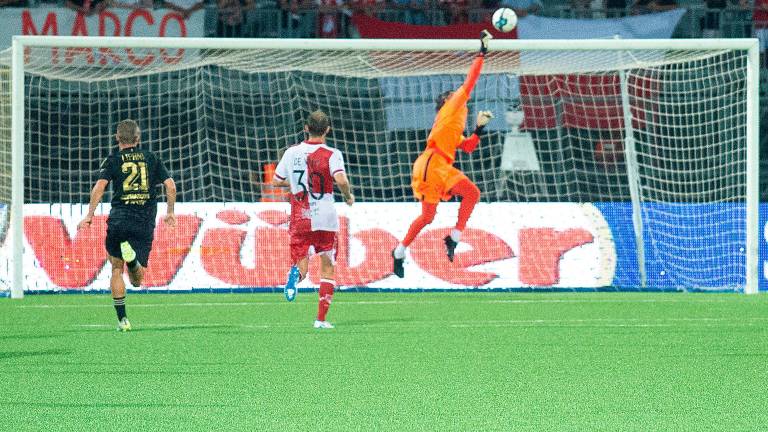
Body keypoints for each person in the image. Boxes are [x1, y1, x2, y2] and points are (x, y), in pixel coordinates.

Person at [392, 31, 494, 278]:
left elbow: (467, 147)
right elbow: (470, 82)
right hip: (432, 163)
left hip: (438, 165)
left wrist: (479, 129)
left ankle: (403, 251)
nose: (456, 93)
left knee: (451, 204)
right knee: (436, 211)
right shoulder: (451, 108)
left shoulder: (452, 123)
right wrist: (481, 54)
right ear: (446, 101)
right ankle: (425, 244)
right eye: (451, 94)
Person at [77, 120, 176, 332]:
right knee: (138, 281)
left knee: (115, 268)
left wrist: (89, 215)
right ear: (138, 139)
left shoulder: (113, 159)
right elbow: (170, 185)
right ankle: (133, 261)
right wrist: (170, 212)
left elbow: (100, 187)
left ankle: (123, 320)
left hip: (119, 218)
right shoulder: (151, 158)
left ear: (117, 138)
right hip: (144, 220)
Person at [272, 110, 354, 329]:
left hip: (300, 217)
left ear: (306, 128)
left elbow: (277, 181)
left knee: (303, 269)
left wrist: (299, 185)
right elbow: (341, 179)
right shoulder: (332, 153)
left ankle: (295, 275)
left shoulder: (291, 153)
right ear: (327, 129)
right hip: (325, 217)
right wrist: (347, 196)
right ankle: (320, 320)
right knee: (327, 266)